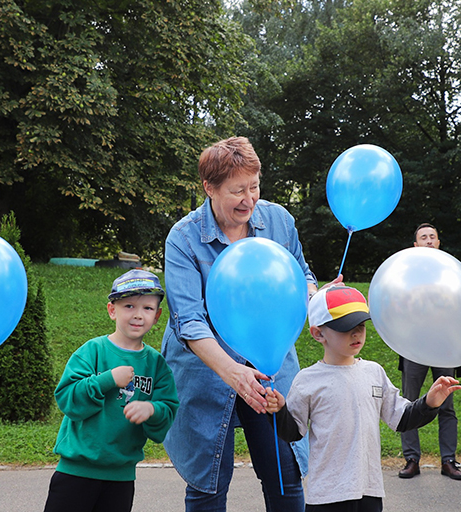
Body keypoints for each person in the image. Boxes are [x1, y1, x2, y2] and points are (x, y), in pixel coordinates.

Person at [162, 136, 336, 511]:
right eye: (237, 190)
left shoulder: (278, 221)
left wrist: (314, 297)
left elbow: (302, 276)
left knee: (286, 478)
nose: (249, 199)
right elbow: (188, 321)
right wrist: (233, 373)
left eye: (254, 186)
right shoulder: (184, 238)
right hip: (205, 371)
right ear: (209, 188)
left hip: (269, 367)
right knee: (207, 485)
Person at [264, 285, 461, 512]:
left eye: (360, 326)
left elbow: (402, 419)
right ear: (318, 333)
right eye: (346, 328)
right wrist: (278, 411)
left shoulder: (374, 372)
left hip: (370, 491)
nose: (356, 333)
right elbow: (292, 432)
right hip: (327, 496)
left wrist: (430, 402)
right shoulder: (307, 380)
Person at [44, 269, 179, 512]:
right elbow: (67, 399)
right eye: (129, 306)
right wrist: (107, 380)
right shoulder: (91, 351)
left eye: (147, 308)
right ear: (112, 310)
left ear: (157, 316)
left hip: (121, 478)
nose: (138, 315)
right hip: (75, 472)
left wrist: (151, 409)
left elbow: (167, 411)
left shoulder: (156, 364)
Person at [397, 222, 461, 480]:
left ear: (438, 242)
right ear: (415, 245)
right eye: (423, 237)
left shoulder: (452, 272)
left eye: (432, 237)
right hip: (413, 345)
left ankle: (448, 461)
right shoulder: (405, 274)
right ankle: (411, 459)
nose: (428, 240)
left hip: (444, 346)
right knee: (410, 402)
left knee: (446, 406)